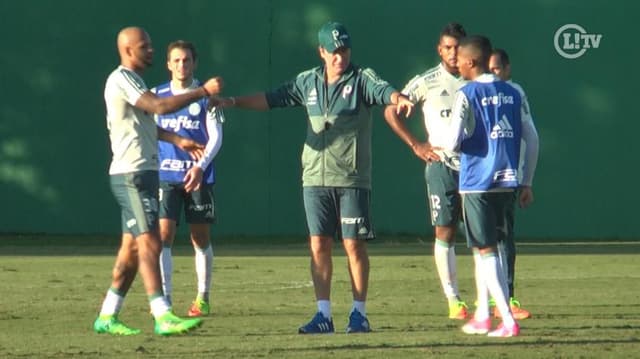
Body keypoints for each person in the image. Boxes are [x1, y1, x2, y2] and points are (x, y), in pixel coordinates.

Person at [209, 21, 414, 334]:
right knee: (318, 244)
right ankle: (323, 315)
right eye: (333, 51)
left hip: (351, 179)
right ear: (321, 52)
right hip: (314, 180)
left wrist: (398, 98)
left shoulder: (361, 79)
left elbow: (383, 90)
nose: (339, 57)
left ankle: (359, 313)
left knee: (353, 245)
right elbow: (272, 98)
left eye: (343, 50)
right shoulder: (308, 82)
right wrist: (233, 102)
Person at [94, 26, 223, 336]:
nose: (150, 50)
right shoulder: (122, 78)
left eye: (150, 45)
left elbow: (146, 124)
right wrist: (203, 91)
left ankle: (107, 315)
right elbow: (160, 107)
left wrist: (176, 139)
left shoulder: (135, 81)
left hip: (143, 173)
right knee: (151, 239)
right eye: (144, 46)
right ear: (127, 51)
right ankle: (162, 312)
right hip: (132, 175)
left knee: (132, 250)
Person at [442, 35, 538, 337]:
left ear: (471, 62)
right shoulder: (513, 92)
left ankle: (507, 320)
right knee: (490, 248)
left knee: (485, 251)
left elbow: (452, 140)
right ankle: (484, 315)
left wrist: (450, 147)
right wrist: (527, 180)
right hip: (506, 182)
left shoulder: (466, 93)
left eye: (459, 60)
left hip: (476, 183)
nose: (456, 64)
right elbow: (532, 138)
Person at [383, 22, 470, 320]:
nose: (454, 53)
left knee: (486, 233)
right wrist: (416, 145)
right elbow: (390, 110)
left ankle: (495, 298)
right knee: (445, 230)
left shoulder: (476, 80)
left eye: (458, 47)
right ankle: (453, 300)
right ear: (440, 50)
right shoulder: (427, 81)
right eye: (448, 47)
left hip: (475, 165)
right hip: (441, 164)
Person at [153, 40, 224, 318]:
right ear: (168, 64)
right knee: (163, 236)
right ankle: (165, 302)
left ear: (194, 63)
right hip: (164, 175)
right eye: (177, 60)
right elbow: (146, 126)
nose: (182, 65)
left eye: (187, 60)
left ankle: (202, 298)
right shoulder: (156, 95)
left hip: (198, 177)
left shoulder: (208, 98)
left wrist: (200, 166)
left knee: (199, 238)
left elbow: (216, 137)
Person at [488, 48, 539, 320]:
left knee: (502, 238)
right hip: (478, 180)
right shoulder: (475, 92)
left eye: (497, 68)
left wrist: (526, 181)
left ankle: (504, 298)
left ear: (507, 69)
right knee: (484, 242)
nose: (493, 73)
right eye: (489, 68)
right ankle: (492, 300)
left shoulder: (515, 93)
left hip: (506, 178)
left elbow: (532, 137)